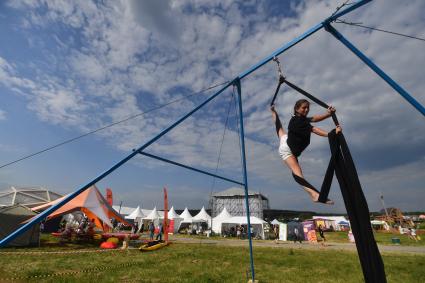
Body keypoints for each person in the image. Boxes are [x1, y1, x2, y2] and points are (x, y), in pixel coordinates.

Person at [270, 100, 341, 204]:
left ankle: (272, 112)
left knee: (279, 128)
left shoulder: (301, 119)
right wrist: (331, 134)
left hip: (286, 139)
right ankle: (314, 195)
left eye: (308, 108)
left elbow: (314, 119)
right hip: (287, 149)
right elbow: (314, 129)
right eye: (304, 107)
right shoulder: (297, 121)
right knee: (297, 173)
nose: (306, 109)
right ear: (297, 109)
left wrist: (328, 114)